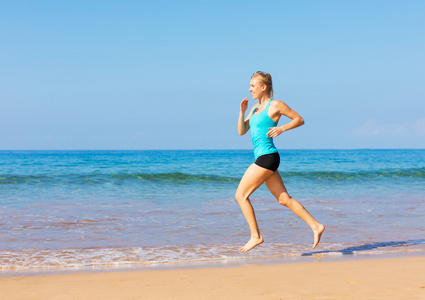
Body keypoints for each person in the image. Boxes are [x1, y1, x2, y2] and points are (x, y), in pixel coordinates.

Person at [236, 71, 325, 253]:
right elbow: (242, 131)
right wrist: (242, 112)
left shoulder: (275, 104)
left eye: (253, 86)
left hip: (267, 157)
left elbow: (299, 119)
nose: (250, 89)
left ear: (263, 87)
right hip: (265, 158)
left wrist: (282, 128)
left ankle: (256, 236)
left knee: (241, 195)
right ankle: (316, 225)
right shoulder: (254, 109)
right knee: (284, 199)